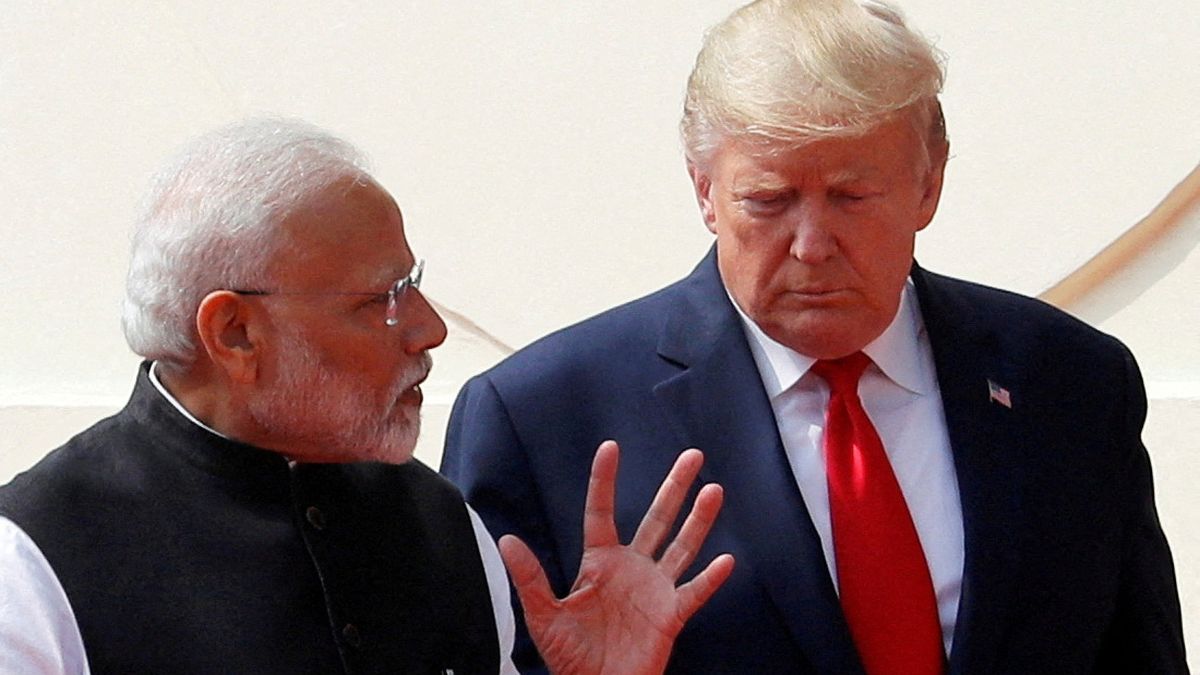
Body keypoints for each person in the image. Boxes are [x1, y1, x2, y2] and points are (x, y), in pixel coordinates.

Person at [440, 0, 1188, 672]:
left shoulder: (1073, 382)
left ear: (929, 183)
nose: (810, 244)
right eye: (768, 200)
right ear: (705, 191)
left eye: (851, 196)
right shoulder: (542, 421)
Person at [0, 118, 734, 674]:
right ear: (236, 333)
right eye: (382, 299)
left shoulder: (441, 521)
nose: (430, 328)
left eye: (412, 285)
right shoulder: (33, 566)